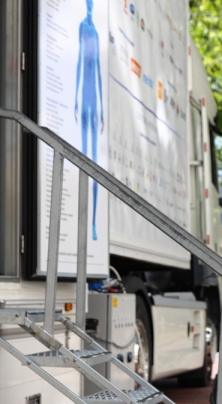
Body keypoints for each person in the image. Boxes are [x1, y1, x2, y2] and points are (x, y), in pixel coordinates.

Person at [74, 0, 103, 241]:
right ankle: (84, 221)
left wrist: (102, 107)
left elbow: (100, 70)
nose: (91, 5)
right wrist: (75, 97)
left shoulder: (95, 32)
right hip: (84, 95)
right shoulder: (83, 28)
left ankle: (92, 222)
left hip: (94, 96)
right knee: (84, 158)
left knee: (94, 161)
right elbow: (78, 62)